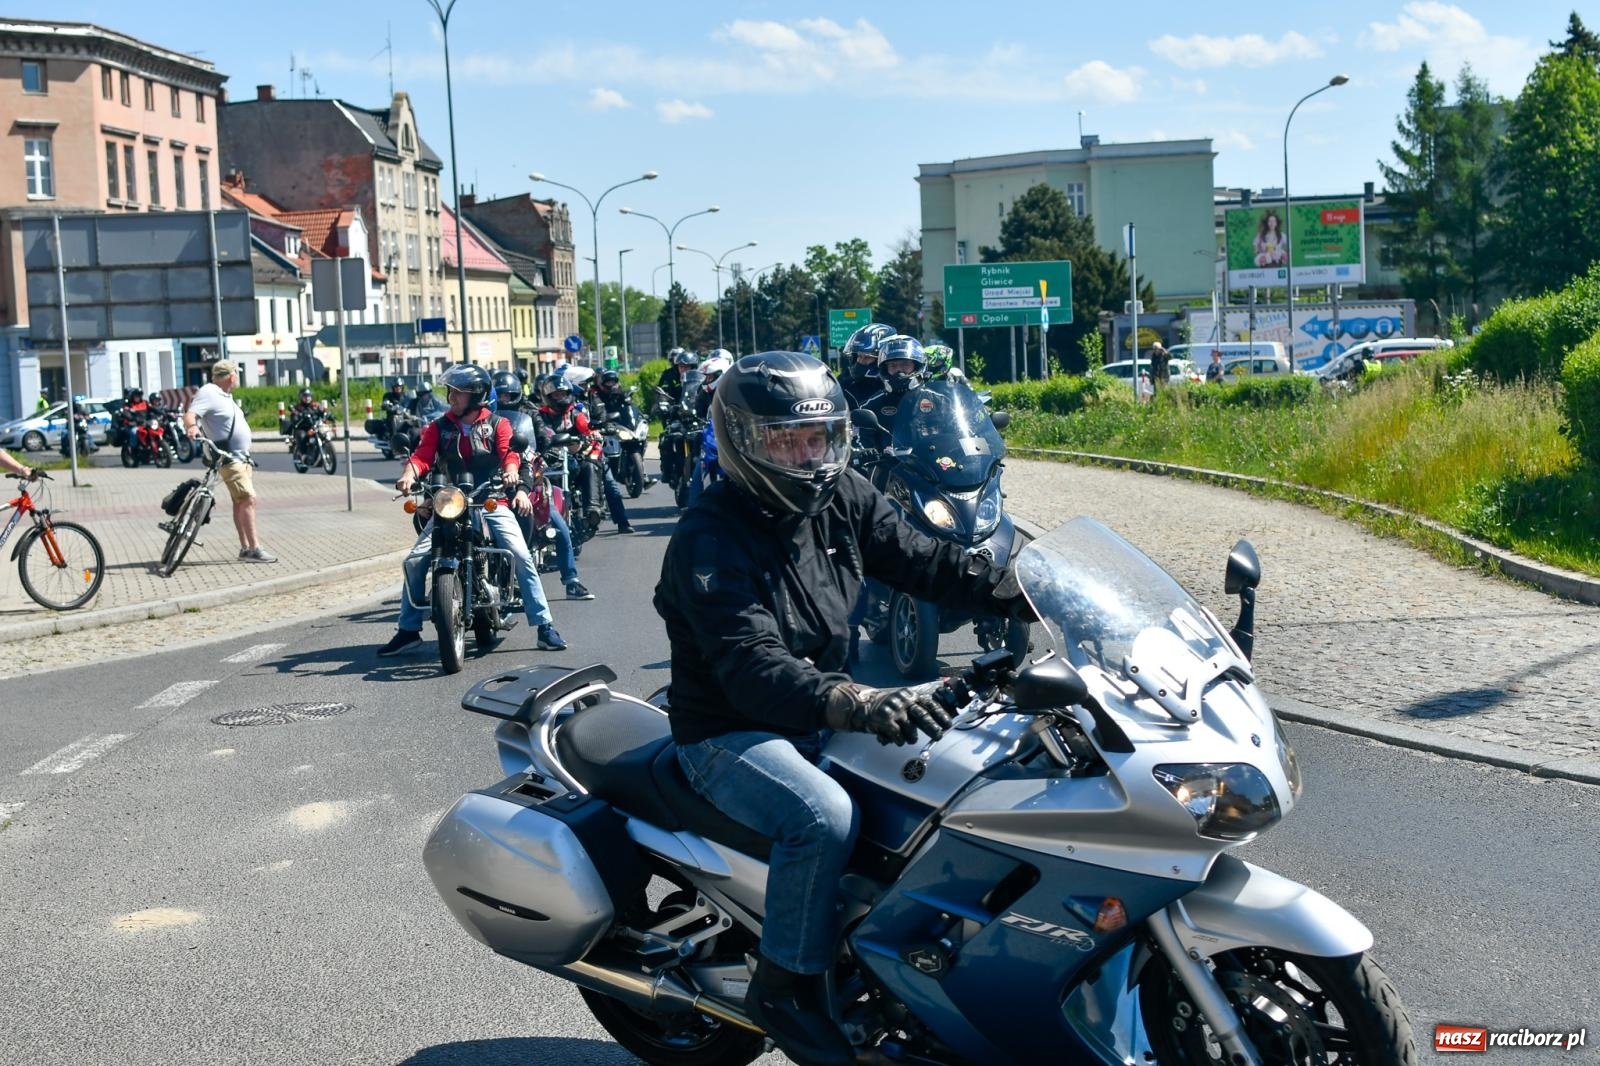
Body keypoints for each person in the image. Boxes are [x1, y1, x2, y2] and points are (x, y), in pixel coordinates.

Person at [655, 351, 1034, 1066]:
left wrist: (1026, 588)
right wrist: (853, 699)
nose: (809, 457)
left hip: (818, 711)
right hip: (732, 730)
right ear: (743, 442)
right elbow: (752, 665)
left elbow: (926, 558)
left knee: (968, 775)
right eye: (786, 442)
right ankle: (788, 987)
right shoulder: (709, 536)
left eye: (819, 438)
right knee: (819, 818)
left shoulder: (843, 497)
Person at [380, 363, 566, 656]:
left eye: (458, 392)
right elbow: (422, 456)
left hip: (490, 499)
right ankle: (408, 629)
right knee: (415, 561)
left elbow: (509, 454)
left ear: (476, 395)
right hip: (450, 503)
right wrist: (409, 474)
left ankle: (544, 626)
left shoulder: (497, 425)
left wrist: (511, 472)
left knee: (518, 553)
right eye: (450, 391)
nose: (451, 397)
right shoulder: (439, 427)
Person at [183, 362, 276, 563]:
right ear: (232, 377)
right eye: (236, 375)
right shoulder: (209, 392)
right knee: (248, 500)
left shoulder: (224, 396)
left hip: (241, 458)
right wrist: (192, 427)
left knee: (240, 502)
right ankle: (254, 549)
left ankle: (245, 548)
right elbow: (191, 414)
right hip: (229, 458)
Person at [537, 375, 635, 534]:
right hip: (550, 459)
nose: (560, 397)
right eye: (556, 394)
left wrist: (594, 434)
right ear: (548, 396)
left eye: (563, 393)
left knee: (605, 479)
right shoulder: (540, 415)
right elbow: (535, 432)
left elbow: (588, 428)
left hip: (578, 456)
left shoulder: (575, 413)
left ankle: (599, 512)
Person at [838, 322, 896, 409]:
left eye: (867, 357)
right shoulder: (845, 384)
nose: (860, 361)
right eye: (858, 356)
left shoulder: (896, 386)